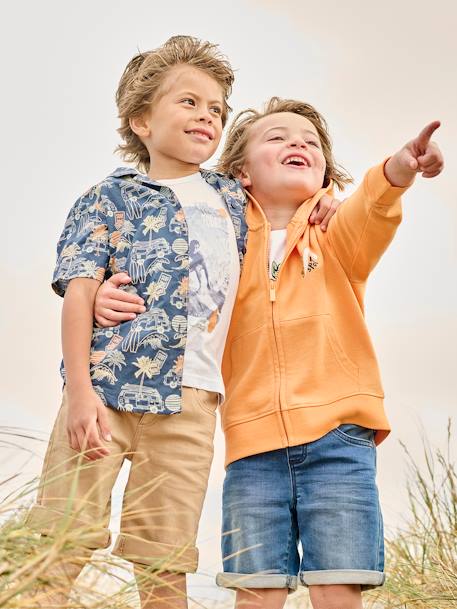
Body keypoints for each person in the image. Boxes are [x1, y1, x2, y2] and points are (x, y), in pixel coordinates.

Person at [26, 35, 338, 608]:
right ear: (141, 119)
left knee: (164, 557)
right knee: (61, 537)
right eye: (189, 102)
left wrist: (326, 199)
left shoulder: (230, 196)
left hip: (192, 405)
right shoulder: (109, 198)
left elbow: (289, 197)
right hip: (107, 391)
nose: (207, 116)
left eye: (217, 108)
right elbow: (79, 293)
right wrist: (78, 394)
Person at [96, 97, 443, 609]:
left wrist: (401, 167)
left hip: (339, 440)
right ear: (241, 172)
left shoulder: (338, 237)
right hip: (252, 449)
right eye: (277, 137)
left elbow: (374, 202)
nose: (297, 143)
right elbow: (168, 283)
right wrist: (104, 292)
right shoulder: (221, 244)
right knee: (256, 591)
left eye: (310, 142)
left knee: (337, 585)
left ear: (325, 172)